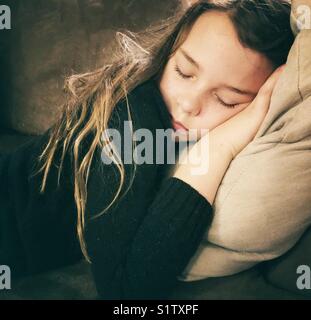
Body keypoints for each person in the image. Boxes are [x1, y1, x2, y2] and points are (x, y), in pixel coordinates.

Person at [0, 0, 294, 299]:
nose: (189, 104)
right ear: (168, 53)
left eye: (226, 100)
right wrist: (221, 146)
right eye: (183, 72)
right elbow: (124, 291)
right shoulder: (134, 117)